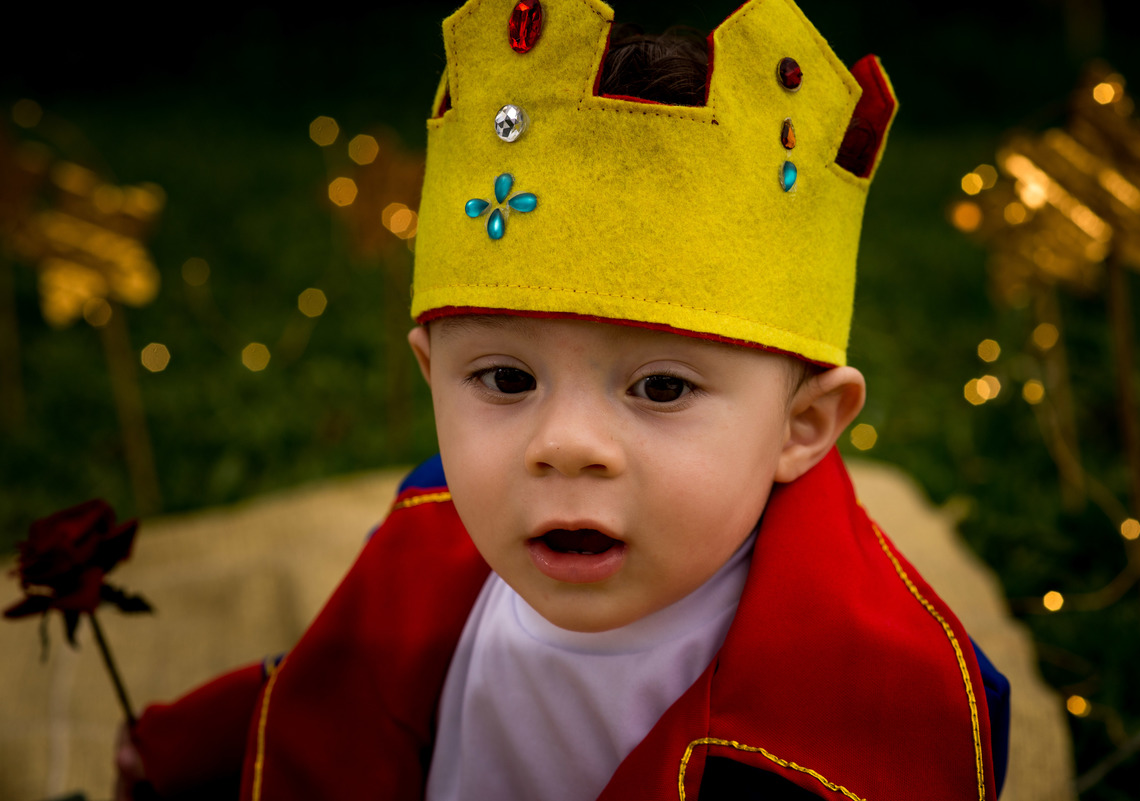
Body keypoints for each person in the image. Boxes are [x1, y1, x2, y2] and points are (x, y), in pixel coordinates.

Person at [116, 1, 1011, 799]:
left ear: (803, 425)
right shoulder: (428, 537)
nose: (567, 444)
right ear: (432, 376)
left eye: (661, 387)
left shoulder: (885, 700)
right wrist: (181, 749)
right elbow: (334, 678)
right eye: (505, 379)